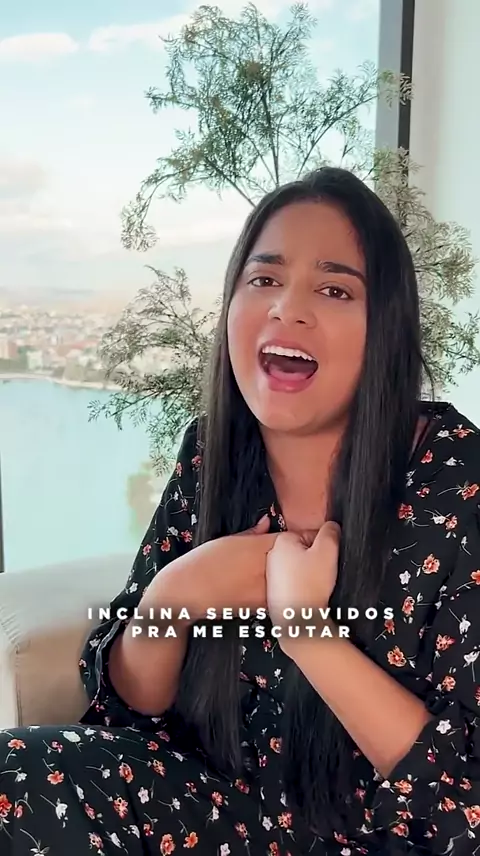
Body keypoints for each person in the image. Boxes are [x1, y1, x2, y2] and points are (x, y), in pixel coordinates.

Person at [1, 167, 480, 856]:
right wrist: (179, 592)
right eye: (264, 279)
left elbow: (462, 804)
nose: (288, 308)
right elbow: (130, 709)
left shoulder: (457, 481)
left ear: (388, 330)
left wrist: (307, 632)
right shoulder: (213, 453)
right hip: (216, 815)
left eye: (335, 289)